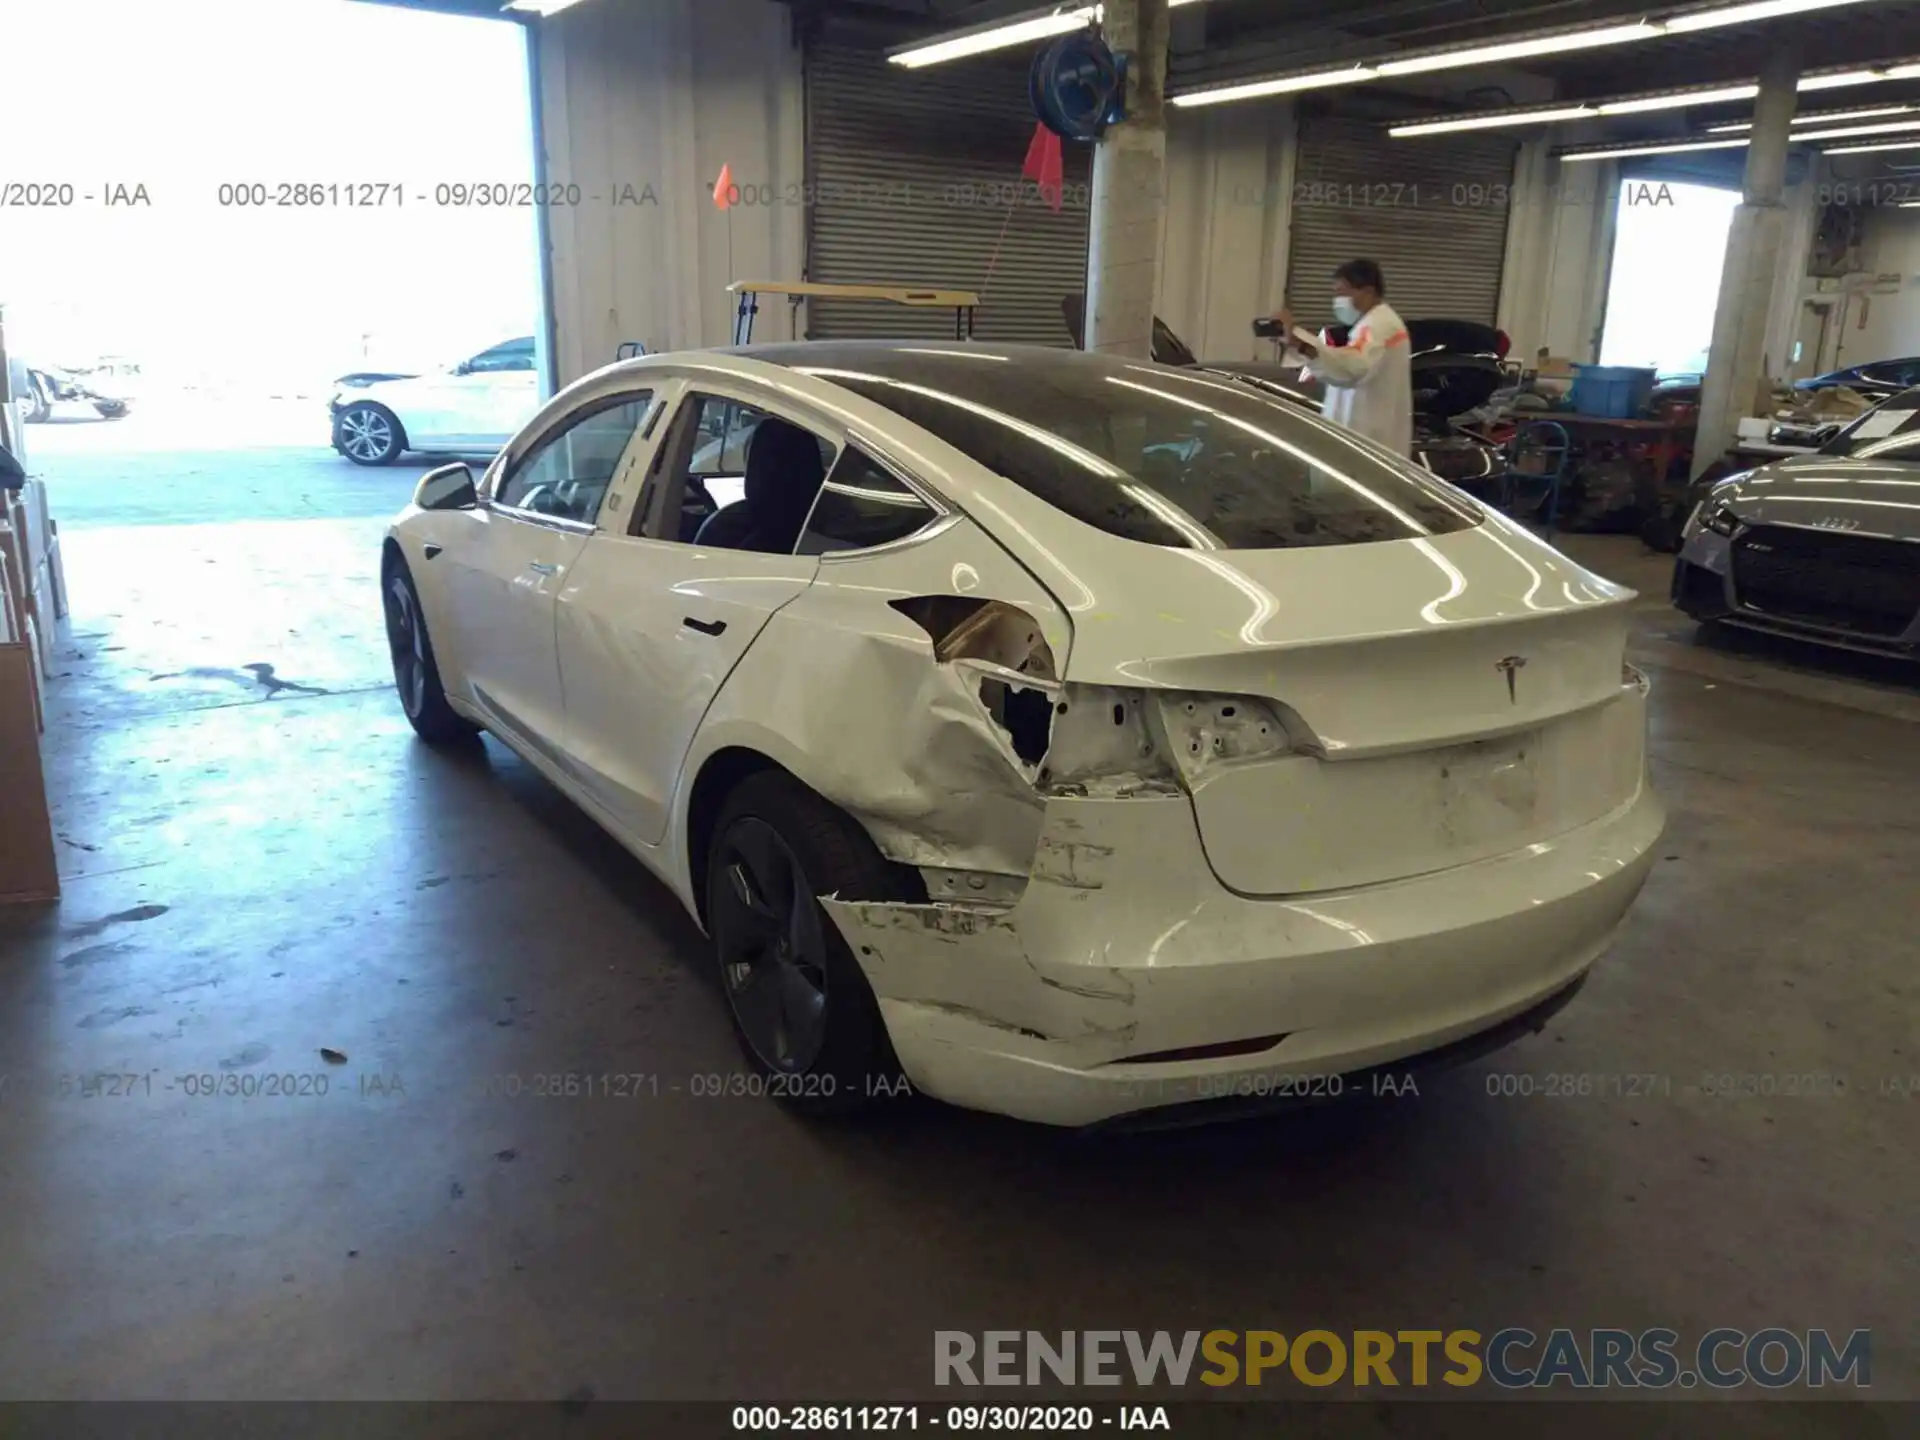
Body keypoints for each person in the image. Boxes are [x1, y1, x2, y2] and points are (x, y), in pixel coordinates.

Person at [1274, 259, 1413, 456]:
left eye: (1342, 293)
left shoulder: (1379, 326)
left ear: (1368, 292)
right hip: (1362, 442)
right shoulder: (1372, 324)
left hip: (1367, 445)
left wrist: (1301, 344)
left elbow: (1352, 367)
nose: (1337, 300)